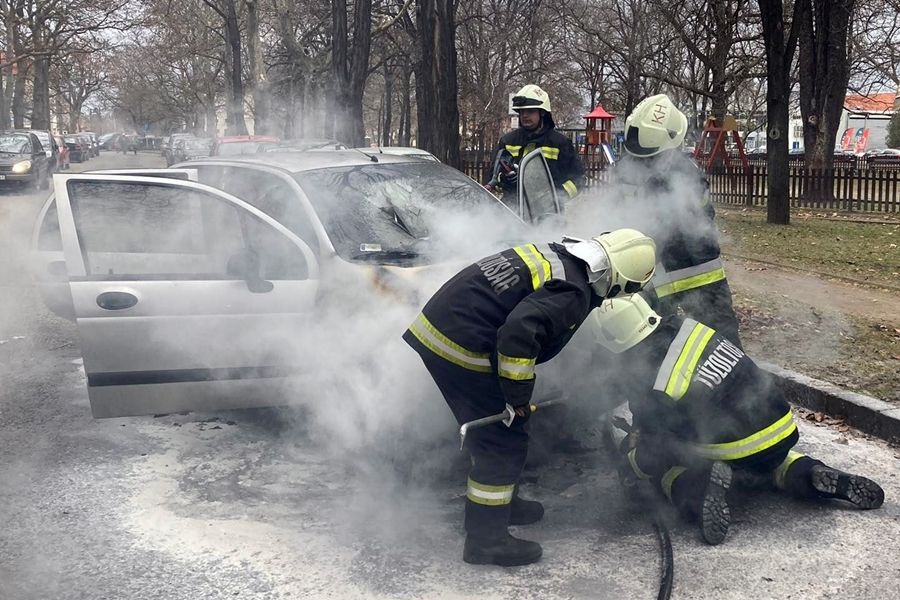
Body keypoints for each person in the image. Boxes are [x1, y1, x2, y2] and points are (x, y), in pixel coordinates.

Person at [403, 229, 657, 566]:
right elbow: (517, 335)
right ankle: (485, 541)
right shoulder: (573, 293)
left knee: (503, 434)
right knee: (502, 440)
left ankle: (503, 504)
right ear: (624, 282)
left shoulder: (563, 259)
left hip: (444, 324)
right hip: (458, 343)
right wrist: (517, 398)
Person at [590, 293, 884, 545]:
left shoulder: (653, 384)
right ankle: (806, 472)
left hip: (738, 446)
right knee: (772, 460)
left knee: (664, 465)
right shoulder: (686, 327)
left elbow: (655, 449)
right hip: (780, 424)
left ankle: (698, 489)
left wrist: (630, 463)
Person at [614, 94, 741, 344]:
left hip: (696, 272)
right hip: (649, 273)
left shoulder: (686, 177)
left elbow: (689, 226)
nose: (642, 162)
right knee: (645, 345)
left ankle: (741, 383)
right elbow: (617, 209)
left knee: (722, 344)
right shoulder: (626, 169)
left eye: (650, 157)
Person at [489, 84, 585, 204]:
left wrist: (556, 196)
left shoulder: (560, 143)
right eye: (522, 111)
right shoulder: (508, 142)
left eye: (530, 111)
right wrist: (504, 180)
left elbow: (578, 179)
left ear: (542, 113)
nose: (525, 115)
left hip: (548, 215)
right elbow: (492, 179)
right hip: (512, 212)